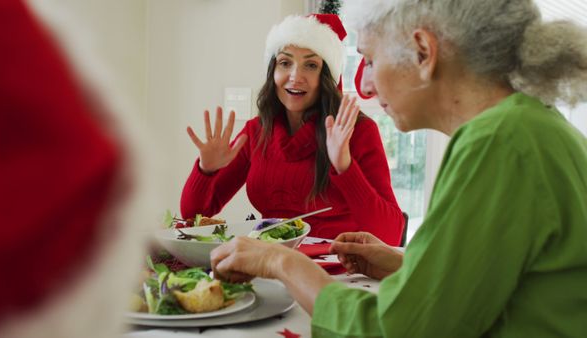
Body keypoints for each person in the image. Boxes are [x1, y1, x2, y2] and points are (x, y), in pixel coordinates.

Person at [210, 0, 587, 337]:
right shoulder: (533, 126)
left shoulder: (498, 142)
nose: (368, 85)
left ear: (423, 52)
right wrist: (404, 263)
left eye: (370, 60)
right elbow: (496, 284)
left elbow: (398, 330)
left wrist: (280, 260)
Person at [0, 1, 157, 338]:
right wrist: (207, 170)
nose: (279, 74)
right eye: (278, 62)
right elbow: (197, 208)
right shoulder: (254, 133)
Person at [181, 13, 405, 243]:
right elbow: (192, 216)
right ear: (273, 72)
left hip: (339, 270)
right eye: (285, 63)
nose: (295, 77)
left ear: (326, 77)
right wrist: (206, 170)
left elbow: (391, 234)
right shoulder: (255, 132)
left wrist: (345, 167)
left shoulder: (358, 131)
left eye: (310, 65)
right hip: (269, 264)